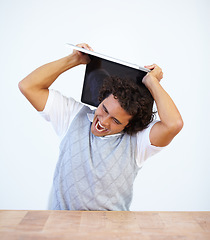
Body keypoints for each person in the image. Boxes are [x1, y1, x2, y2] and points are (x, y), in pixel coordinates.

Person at [18, 43, 183, 211]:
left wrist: (152, 81)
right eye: (104, 109)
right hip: (61, 228)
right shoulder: (72, 116)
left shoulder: (138, 142)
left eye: (116, 121)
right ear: (101, 99)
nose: (103, 121)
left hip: (111, 231)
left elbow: (173, 124)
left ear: (129, 125)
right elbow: (28, 86)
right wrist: (73, 59)